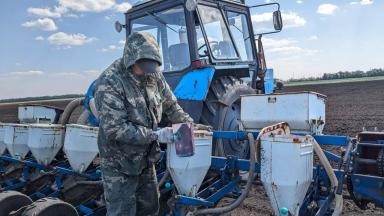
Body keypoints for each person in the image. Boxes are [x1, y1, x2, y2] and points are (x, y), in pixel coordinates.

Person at [94, 32, 194, 216]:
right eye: (144, 67)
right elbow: (114, 129)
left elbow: (170, 104)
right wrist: (155, 135)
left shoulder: (154, 75)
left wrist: (186, 121)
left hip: (146, 160)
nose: (149, 71)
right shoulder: (110, 82)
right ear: (131, 60)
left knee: (149, 208)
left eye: (152, 66)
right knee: (123, 211)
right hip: (119, 163)